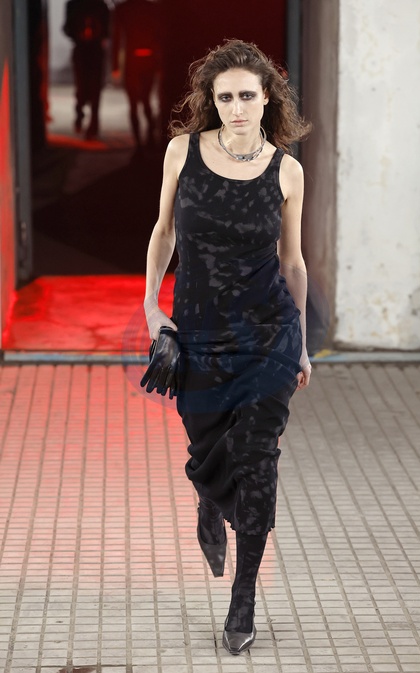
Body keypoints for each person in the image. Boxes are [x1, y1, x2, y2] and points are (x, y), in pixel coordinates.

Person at [143, 39, 312, 655]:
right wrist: (151, 305)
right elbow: (164, 231)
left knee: (257, 457)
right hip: (199, 333)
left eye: (246, 95)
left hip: (268, 334)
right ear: (210, 102)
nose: (236, 107)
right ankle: (210, 503)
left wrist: (301, 345)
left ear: (267, 98)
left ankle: (244, 599)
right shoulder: (182, 153)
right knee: (207, 448)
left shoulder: (286, 170)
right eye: (224, 98)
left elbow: (292, 262)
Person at [111, 0, 164, 148]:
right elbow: (160, 36)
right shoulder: (153, 9)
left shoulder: (123, 9)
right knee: (146, 101)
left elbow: (116, 37)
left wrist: (115, 66)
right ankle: (149, 138)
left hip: (132, 60)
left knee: (133, 103)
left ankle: (139, 144)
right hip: (149, 58)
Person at [63, 0, 110, 140]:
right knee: (82, 86)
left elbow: (107, 29)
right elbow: (67, 28)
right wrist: (79, 34)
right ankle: (81, 112)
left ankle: (93, 124)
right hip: (83, 50)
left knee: (94, 88)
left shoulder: (100, 6)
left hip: (93, 50)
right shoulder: (75, 5)